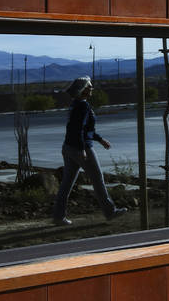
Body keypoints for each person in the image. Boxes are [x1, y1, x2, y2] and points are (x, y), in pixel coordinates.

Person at [52, 76, 128, 226]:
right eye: (89, 86)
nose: (92, 88)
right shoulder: (83, 106)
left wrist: (100, 139)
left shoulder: (75, 104)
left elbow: (85, 130)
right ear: (83, 90)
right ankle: (110, 212)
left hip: (68, 147)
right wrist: (82, 149)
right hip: (81, 149)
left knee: (66, 183)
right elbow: (78, 129)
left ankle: (58, 216)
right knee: (98, 179)